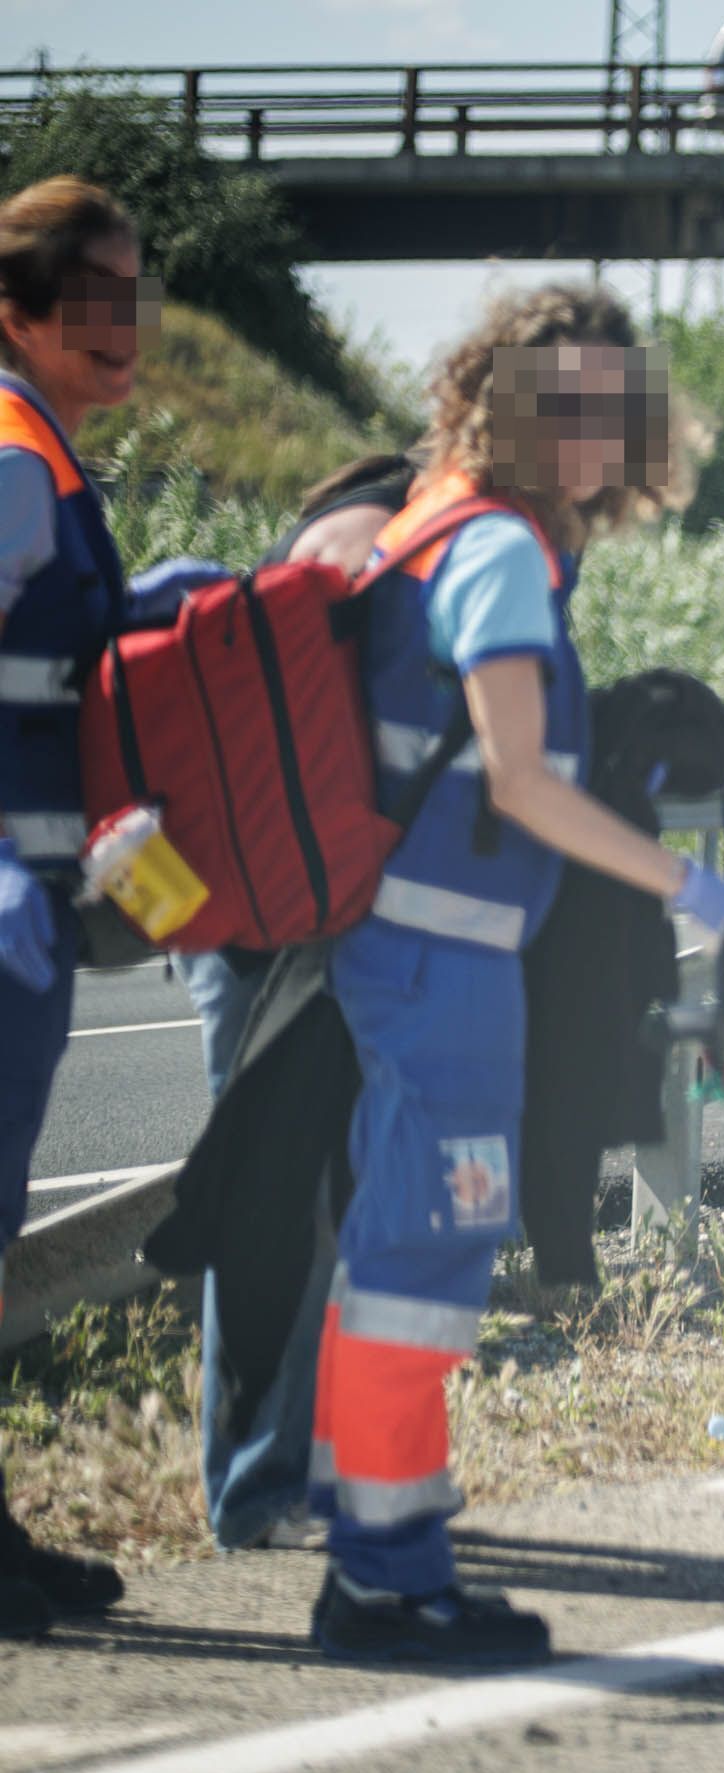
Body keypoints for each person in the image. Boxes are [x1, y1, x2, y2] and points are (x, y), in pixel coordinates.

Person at [304, 284, 724, 1666]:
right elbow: (516, 778)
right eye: (574, 402)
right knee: (429, 1247)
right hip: (443, 956)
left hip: (435, 949)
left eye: (621, 403)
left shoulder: (460, 528)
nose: (603, 430)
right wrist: (697, 889)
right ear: (510, 407)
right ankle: (380, 1574)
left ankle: (400, 1547)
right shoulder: (496, 552)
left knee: (418, 1245)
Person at [192, 451, 418, 1555]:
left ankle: (290, 1476)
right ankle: (258, 1489)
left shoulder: (322, 536)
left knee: (301, 1193)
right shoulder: (390, 544)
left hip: (246, 900)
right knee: (288, 1202)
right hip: (286, 920)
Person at [0, 174, 147, 1642]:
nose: (127, 330)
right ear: (21, 312)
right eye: (94, 303)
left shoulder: (36, 445)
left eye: (137, 300)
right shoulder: (6, 453)